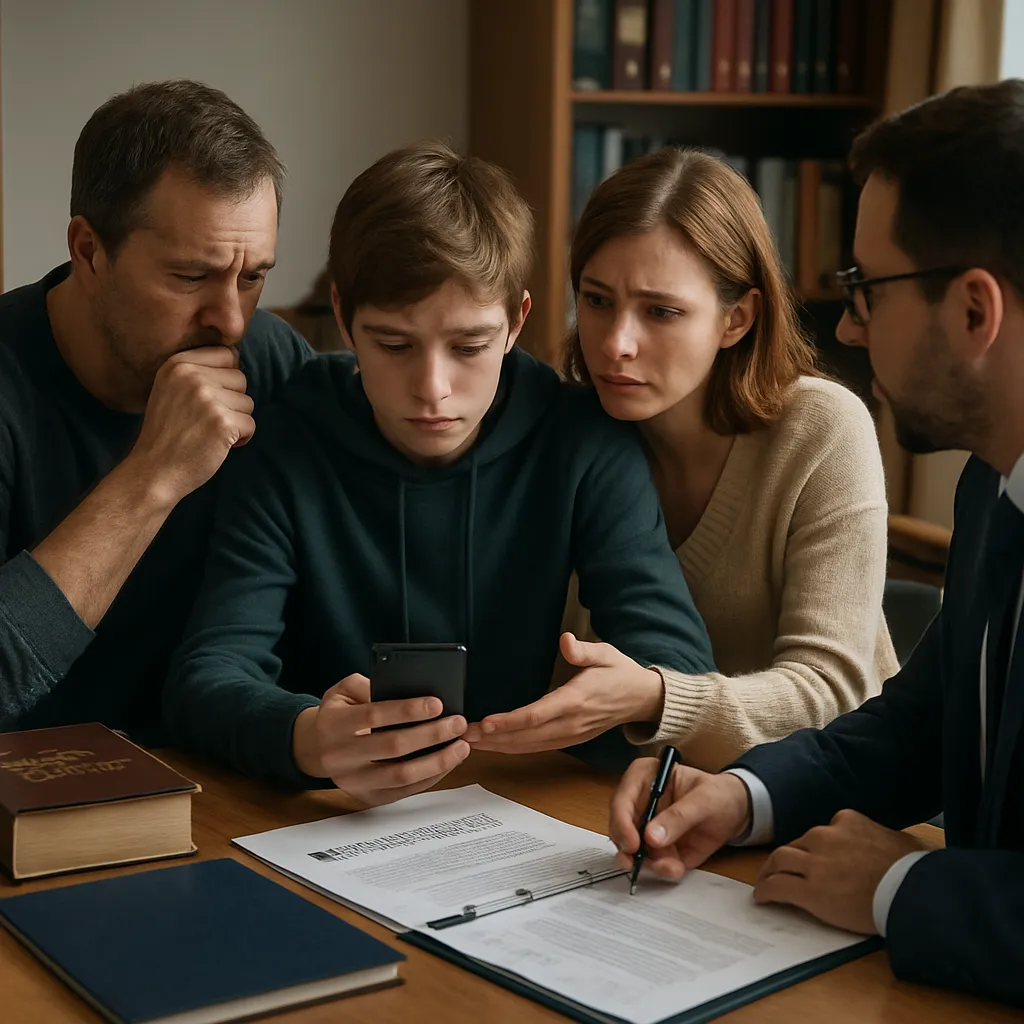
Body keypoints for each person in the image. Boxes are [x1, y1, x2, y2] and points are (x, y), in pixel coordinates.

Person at [608, 79, 1024, 1008]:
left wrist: (899, 887)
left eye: (867, 289)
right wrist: (743, 796)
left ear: (973, 310)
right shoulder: (995, 485)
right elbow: (916, 725)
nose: (845, 325)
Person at [163, 141, 715, 805]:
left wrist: (624, 698)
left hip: (520, 808)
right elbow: (206, 674)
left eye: (469, 347)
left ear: (517, 321)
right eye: (393, 344)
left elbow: (677, 665)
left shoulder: (583, 441)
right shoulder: (286, 436)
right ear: (342, 317)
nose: (433, 389)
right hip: (328, 818)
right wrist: (307, 737)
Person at [467, 147, 897, 771]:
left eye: (661, 311)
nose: (616, 343)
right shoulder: (566, 434)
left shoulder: (822, 430)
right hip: (631, 795)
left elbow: (832, 694)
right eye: (596, 300)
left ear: (737, 318)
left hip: (826, 799)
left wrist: (657, 698)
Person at [0, 80, 312, 738]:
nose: (230, 320)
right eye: (191, 277)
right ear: (88, 250)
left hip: (223, 794)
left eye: (253, 276)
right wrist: (154, 475)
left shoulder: (276, 365)